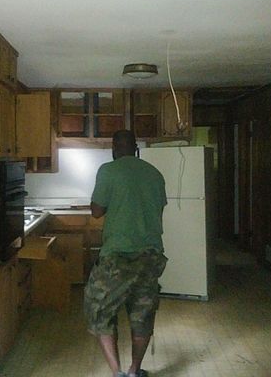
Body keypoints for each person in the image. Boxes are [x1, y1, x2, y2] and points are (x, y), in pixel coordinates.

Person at [84, 129, 168, 377]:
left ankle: (117, 372)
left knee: (99, 310)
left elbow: (96, 211)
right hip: (150, 255)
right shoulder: (154, 173)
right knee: (142, 314)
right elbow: (157, 211)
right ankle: (134, 371)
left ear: (114, 149)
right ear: (136, 148)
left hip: (117, 257)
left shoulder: (108, 170)